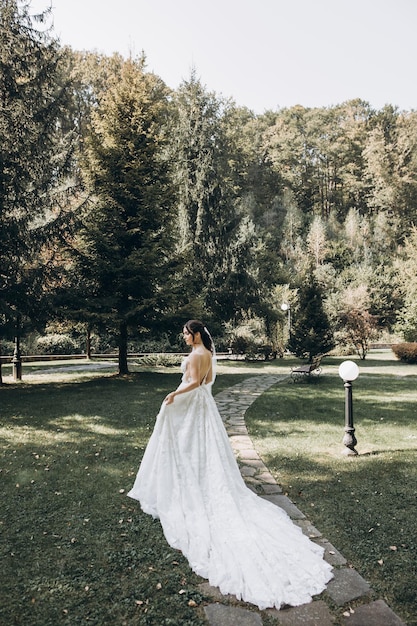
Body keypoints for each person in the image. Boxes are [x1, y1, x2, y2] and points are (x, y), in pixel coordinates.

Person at [128, 320, 333, 610]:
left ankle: (192, 483)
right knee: (201, 449)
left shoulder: (200, 354)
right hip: (202, 407)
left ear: (196, 334)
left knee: (192, 447)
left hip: (196, 405)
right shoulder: (206, 353)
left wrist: (174, 395)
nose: (183, 337)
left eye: (186, 333)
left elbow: (196, 384)